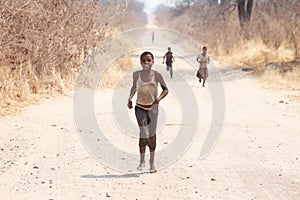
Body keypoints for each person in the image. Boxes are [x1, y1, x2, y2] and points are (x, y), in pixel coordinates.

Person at [127, 51, 168, 173]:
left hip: (153, 109)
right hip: (140, 107)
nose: (146, 63)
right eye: (143, 60)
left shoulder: (157, 75)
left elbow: (166, 90)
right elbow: (134, 87)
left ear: (153, 62)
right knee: (143, 132)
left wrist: (158, 99)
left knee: (152, 136)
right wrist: (129, 98)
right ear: (140, 62)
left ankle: (151, 162)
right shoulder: (136, 75)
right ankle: (142, 161)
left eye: (149, 60)